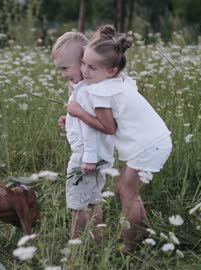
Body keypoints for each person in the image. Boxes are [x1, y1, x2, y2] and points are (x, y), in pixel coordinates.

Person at [65, 25, 172, 251]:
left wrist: (79, 113)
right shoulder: (119, 81)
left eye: (92, 67)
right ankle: (141, 235)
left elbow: (108, 127)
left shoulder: (101, 91)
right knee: (124, 187)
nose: (85, 70)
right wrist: (73, 118)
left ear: (111, 71)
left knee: (126, 192)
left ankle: (131, 247)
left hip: (147, 145)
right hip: (154, 141)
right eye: (83, 62)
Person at [52, 32, 115, 242]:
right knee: (93, 200)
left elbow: (91, 130)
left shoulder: (85, 92)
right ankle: (97, 241)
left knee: (77, 205)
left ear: (83, 62)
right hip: (102, 156)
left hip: (85, 158)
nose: (62, 74)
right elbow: (88, 120)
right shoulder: (92, 88)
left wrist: (87, 157)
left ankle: (75, 247)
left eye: (65, 68)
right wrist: (69, 120)